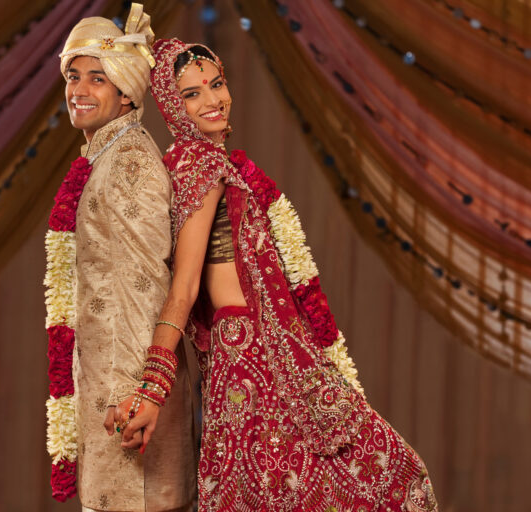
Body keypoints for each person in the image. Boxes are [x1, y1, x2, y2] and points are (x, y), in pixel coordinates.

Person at [117, 38, 439, 511]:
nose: (212, 100)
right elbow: (184, 288)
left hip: (265, 353)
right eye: (191, 93)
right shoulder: (200, 165)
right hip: (254, 361)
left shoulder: (205, 164)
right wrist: (152, 388)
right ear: (171, 105)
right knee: (381, 478)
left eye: (216, 84)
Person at [44, 11, 195, 512]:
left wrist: (136, 393)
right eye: (73, 75)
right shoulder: (105, 157)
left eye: (97, 77)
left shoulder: (128, 162)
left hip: (127, 404)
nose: (80, 89)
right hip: (114, 395)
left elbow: (145, 282)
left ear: (127, 92)